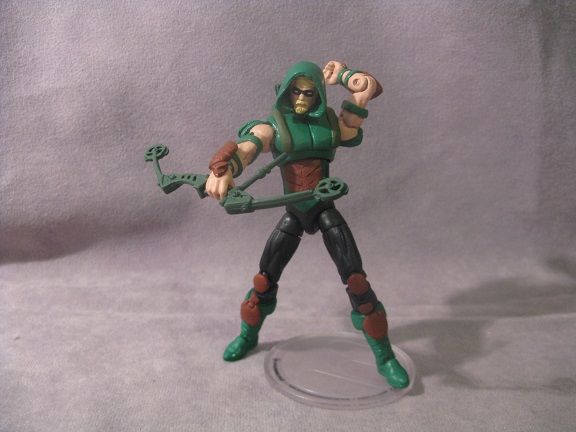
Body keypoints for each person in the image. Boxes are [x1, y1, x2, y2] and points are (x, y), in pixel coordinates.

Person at [205, 60, 409, 389]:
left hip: (324, 209)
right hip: (294, 212)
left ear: (319, 94)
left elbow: (358, 107)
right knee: (263, 282)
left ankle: (385, 357)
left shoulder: (330, 123)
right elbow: (250, 145)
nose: (301, 98)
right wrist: (224, 168)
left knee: (358, 283)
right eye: (296, 91)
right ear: (286, 92)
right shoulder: (275, 126)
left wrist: (351, 83)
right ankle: (247, 337)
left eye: (309, 93)